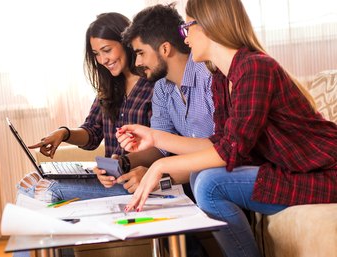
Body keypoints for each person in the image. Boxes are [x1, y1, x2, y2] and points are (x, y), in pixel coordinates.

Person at [116, 0, 337, 256]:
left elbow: (230, 151)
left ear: (210, 26)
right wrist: (154, 137)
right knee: (202, 177)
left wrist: (161, 166)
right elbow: (219, 143)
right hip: (290, 171)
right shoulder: (223, 78)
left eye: (188, 27)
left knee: (210, 183)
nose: (185, 39)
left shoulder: (255, 68)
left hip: (324, 173)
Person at [17, 12, 154, 204]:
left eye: (107, 50)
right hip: (108, 179)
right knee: (28, 181)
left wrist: (124, 162)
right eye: (96, 54)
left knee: (40, 188)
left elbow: (161, 145)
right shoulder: (109, 87)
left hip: (134, 181)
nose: (102, 60)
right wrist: (63, 134)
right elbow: (92, 133)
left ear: (126, 42)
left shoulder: (153, 85)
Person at [97, 3, 214, 198]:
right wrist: (124, 163)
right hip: (189, 181)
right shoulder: (161, 89)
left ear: (165, 49)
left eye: (141, 53)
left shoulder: (209, 77)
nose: (137, 63)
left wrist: (160, 176)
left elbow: (223, 152)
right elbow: (161, 147)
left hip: (214, 178)